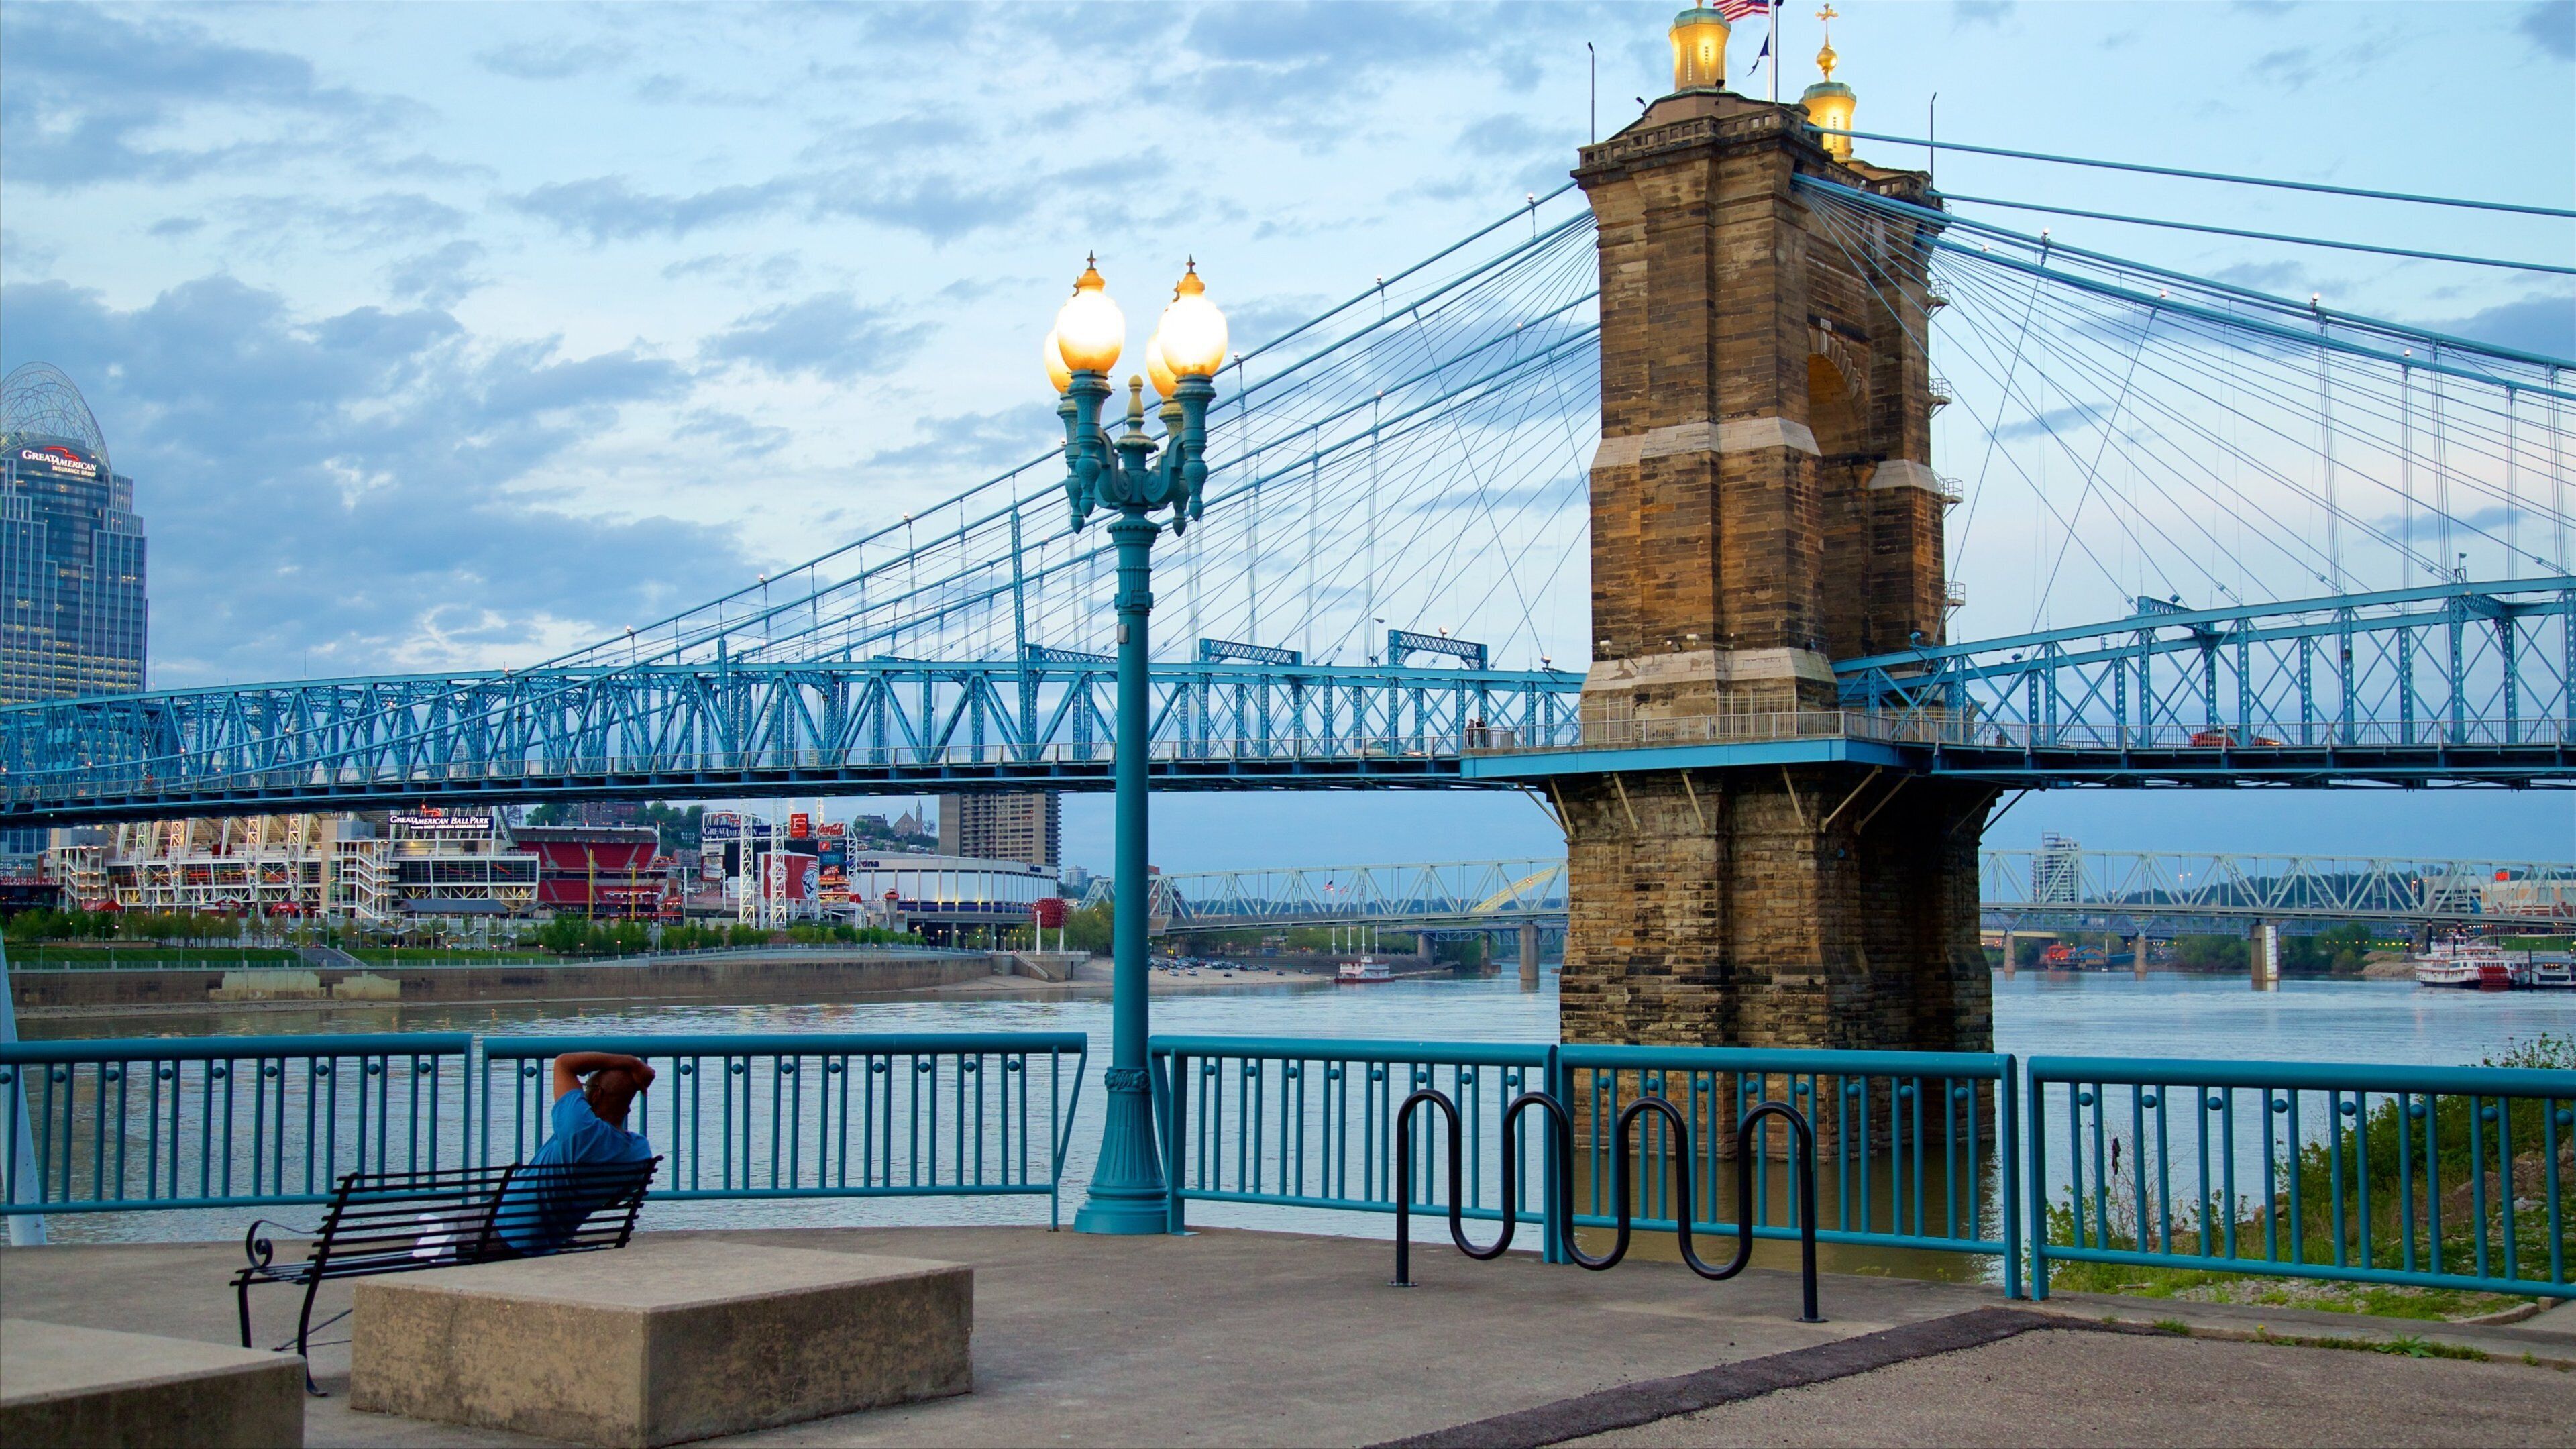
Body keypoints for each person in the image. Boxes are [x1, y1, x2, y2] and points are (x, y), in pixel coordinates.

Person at [491, 1051, 657, 1256]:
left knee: (447, 1226)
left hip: (500, 1234)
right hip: (547, 1243)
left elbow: (564, 1063)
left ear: (596, 1094)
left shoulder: (580, 1127)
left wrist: (632, 1063)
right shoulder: (639, 1153)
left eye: (587, 1087)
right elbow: (618, 1197)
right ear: (627, 1108)